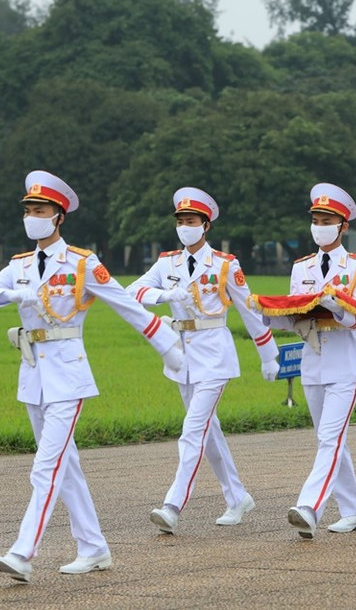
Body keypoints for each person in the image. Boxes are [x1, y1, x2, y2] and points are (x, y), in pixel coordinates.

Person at [0, 171, 184, 583]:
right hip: (32, 375)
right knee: (65, 466)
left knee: (45, 467)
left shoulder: (83, 263)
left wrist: (169, 347)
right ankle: (94, 548)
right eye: (29, 210)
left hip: (68, 375)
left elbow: (127, 306)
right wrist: (8, 295)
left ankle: (22, 551)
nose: (33, 217)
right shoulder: (20, 266)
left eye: (40, 210)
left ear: (58, 216)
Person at [126, 187, 280, 535]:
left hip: (214, 353)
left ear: (205, 225)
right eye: (180, 221)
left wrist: (269, 355)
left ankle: (173, 504)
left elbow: (249, 311)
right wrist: (165, 294)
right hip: (181, 356)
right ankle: (237, 496)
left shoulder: (225, 265)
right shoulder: (168, 263)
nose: (184, 227)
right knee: (209, 432)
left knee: (192, 430)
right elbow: (132, 292)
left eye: (191, 221)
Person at [253, 183, 356, 539]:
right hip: (313, 360)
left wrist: (337, 305)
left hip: (345, 362)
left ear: (343, 226)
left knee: (330, 439)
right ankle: (354, 510)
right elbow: (295, 315)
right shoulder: (301, 266)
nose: (319, 225)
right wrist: (264, 313)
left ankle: (310, 506)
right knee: (330, 439)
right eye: (316, 219)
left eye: (327, 220)